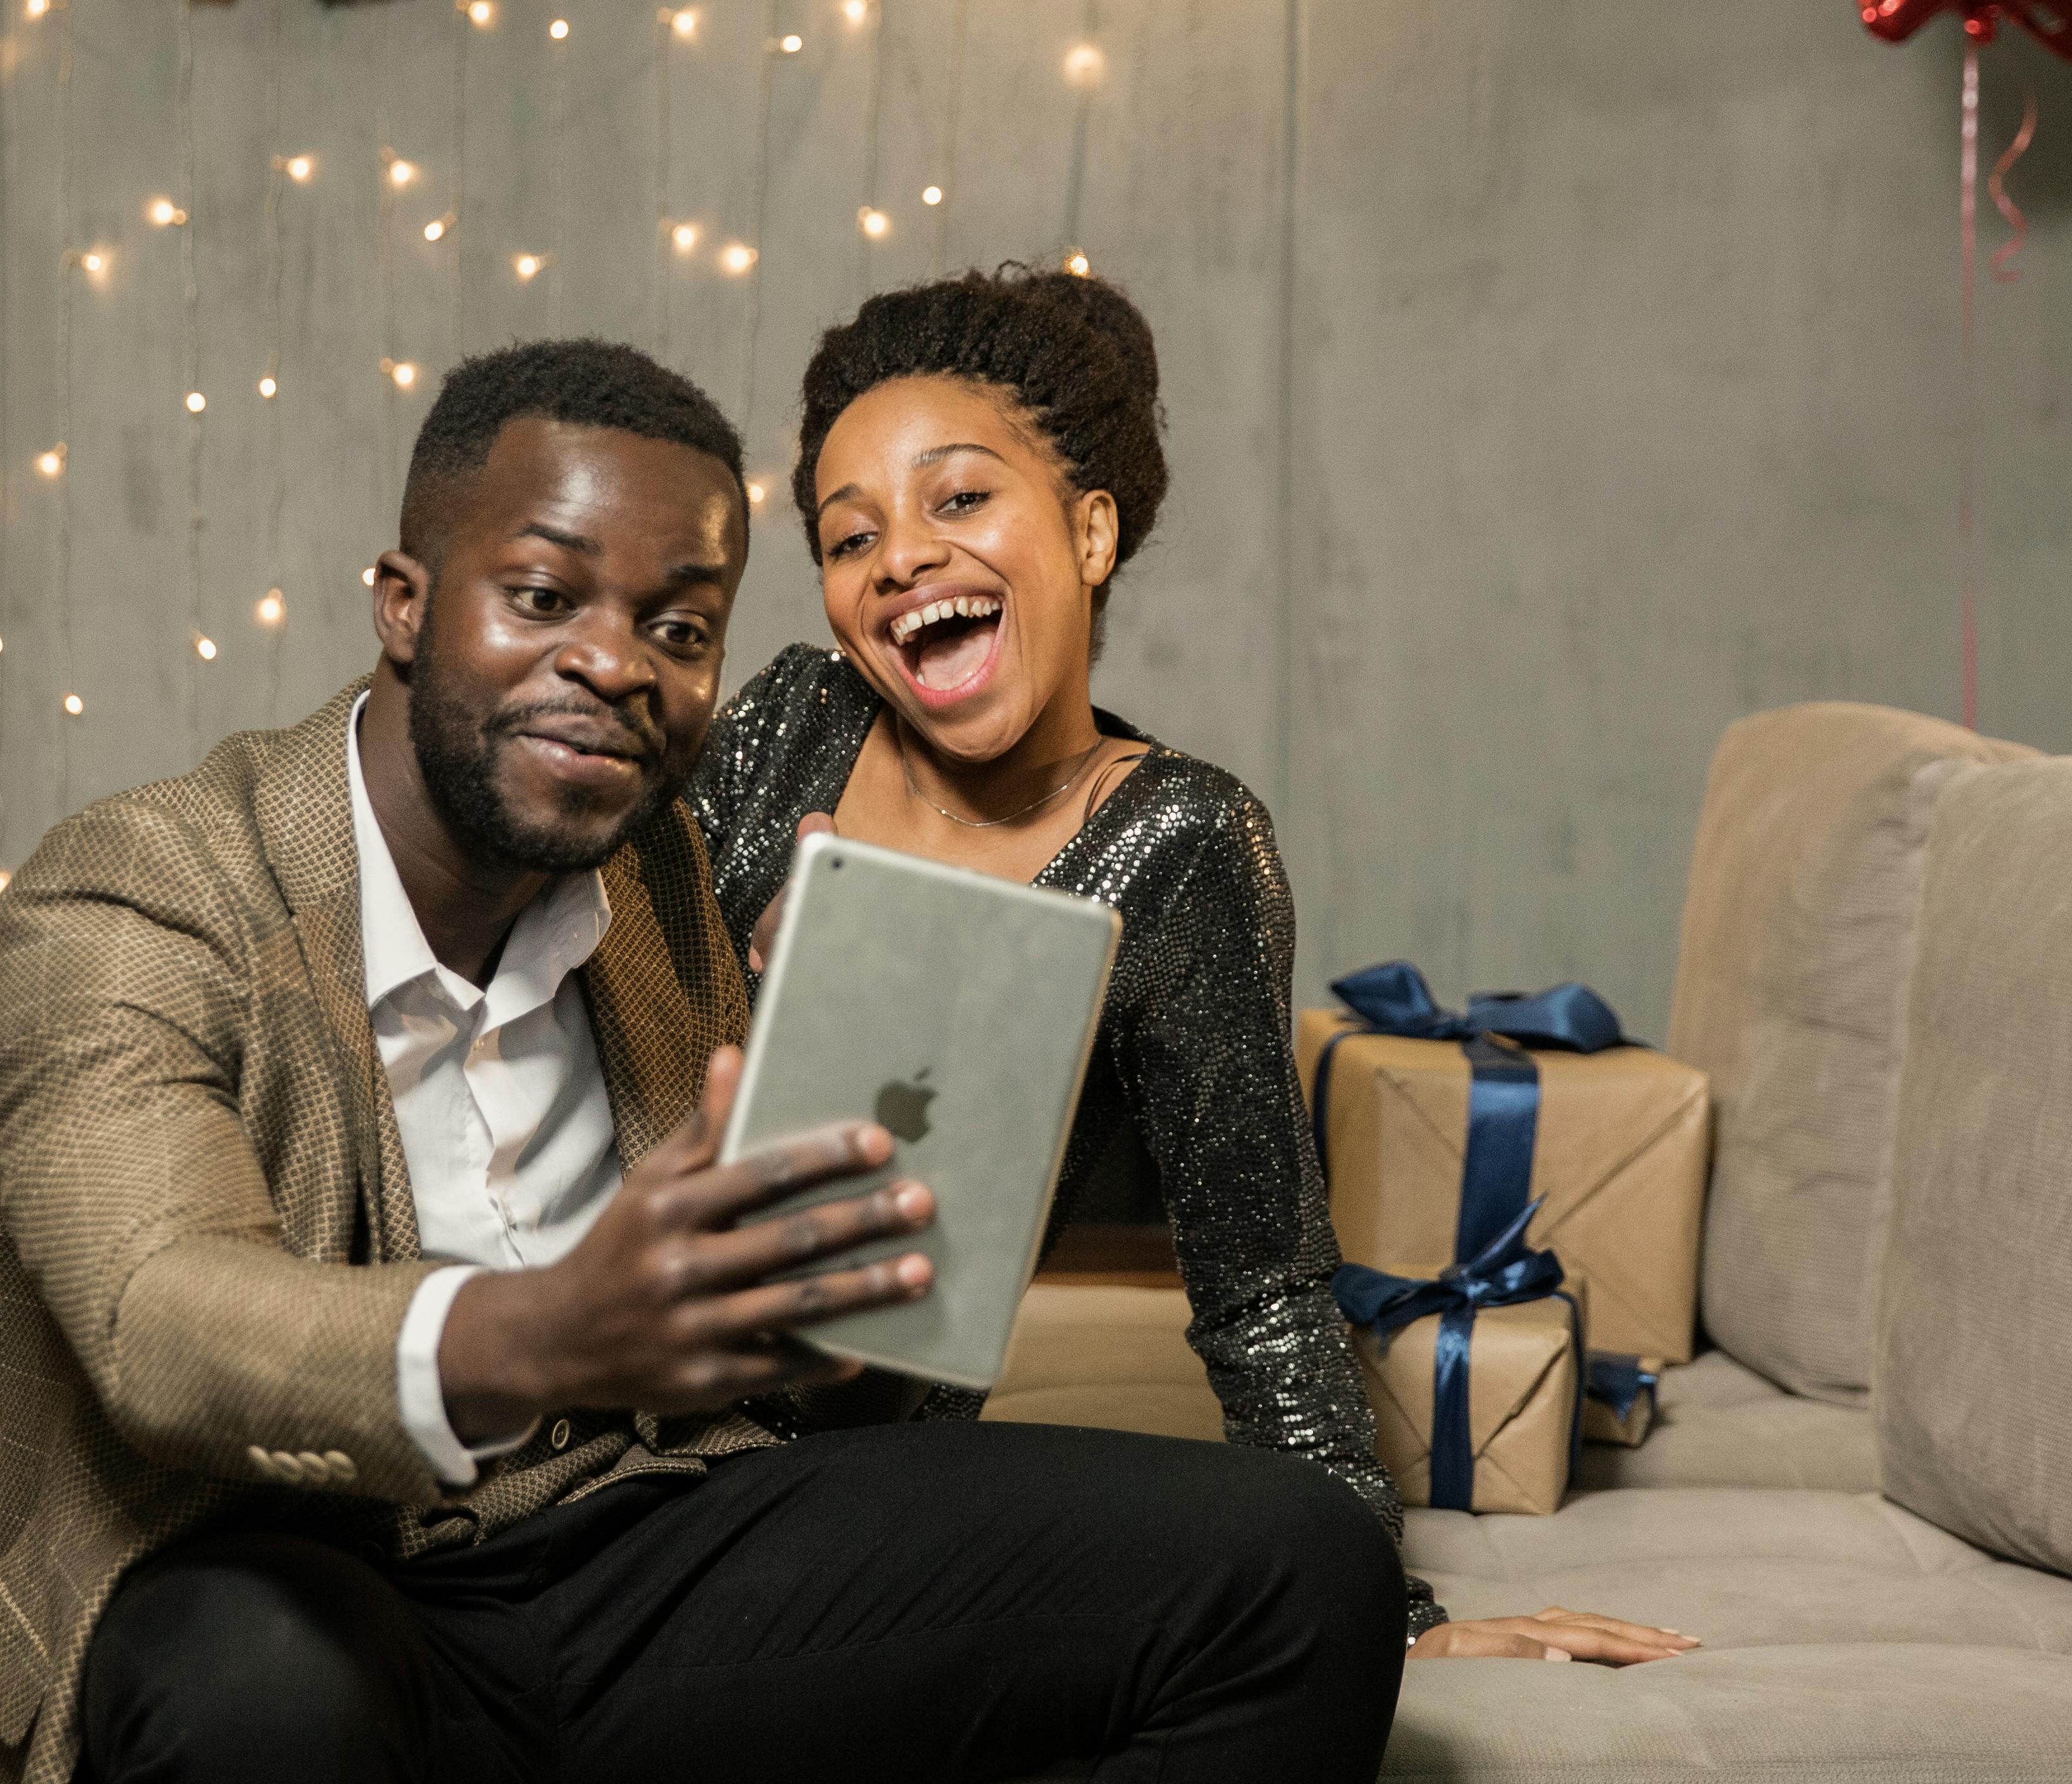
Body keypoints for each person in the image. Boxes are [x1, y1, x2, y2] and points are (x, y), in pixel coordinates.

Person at [0, 339, 1428, 1784]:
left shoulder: (656, 882)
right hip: (300, 1571)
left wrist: (829, 1217)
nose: (617, 662)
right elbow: (155, 1321)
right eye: (544, 596)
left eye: (681, 625)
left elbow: (806, 1394)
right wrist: (551, 1328)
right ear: (403, 603)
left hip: (648, 1554)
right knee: (253, 1693)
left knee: (1288, 1569)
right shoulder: (138, 890)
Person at [695, 264, 1665, 1660]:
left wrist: (1375, 1618)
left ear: (1089, 532)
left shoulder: (1180, 844)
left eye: (958, 499)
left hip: (834, 1482)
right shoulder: (787, 722)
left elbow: (1262, 1287)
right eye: (850, 539)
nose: (899, 556)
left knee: (1244, 1565)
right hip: (594, 1395)